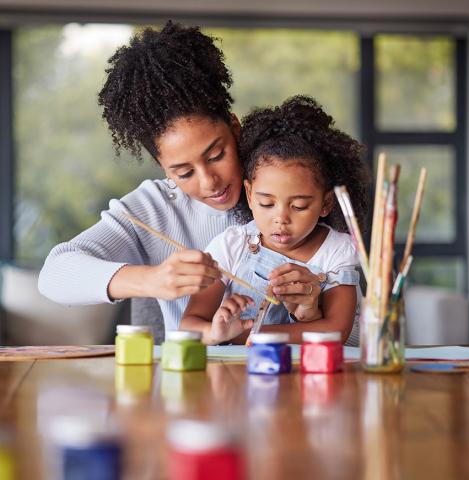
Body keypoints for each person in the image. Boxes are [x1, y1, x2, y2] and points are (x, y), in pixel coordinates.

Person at [38, 22, 246, 335]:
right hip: (189, 378)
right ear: (162, 166)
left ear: (235, 126)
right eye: (184, 172)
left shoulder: (283, 185)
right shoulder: (154, 208)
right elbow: (54, 274)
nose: (209, 182)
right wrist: (151, 280)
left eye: (216, 156)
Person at [181, 95, 370, 345]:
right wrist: (216, 333)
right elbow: (189, 325)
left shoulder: (336, 250)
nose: (281, 218)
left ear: (326, 204)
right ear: (249, 195)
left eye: (299, 206)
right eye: (267, 204)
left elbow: (335, 331)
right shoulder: (232, 246)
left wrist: (247, 335)